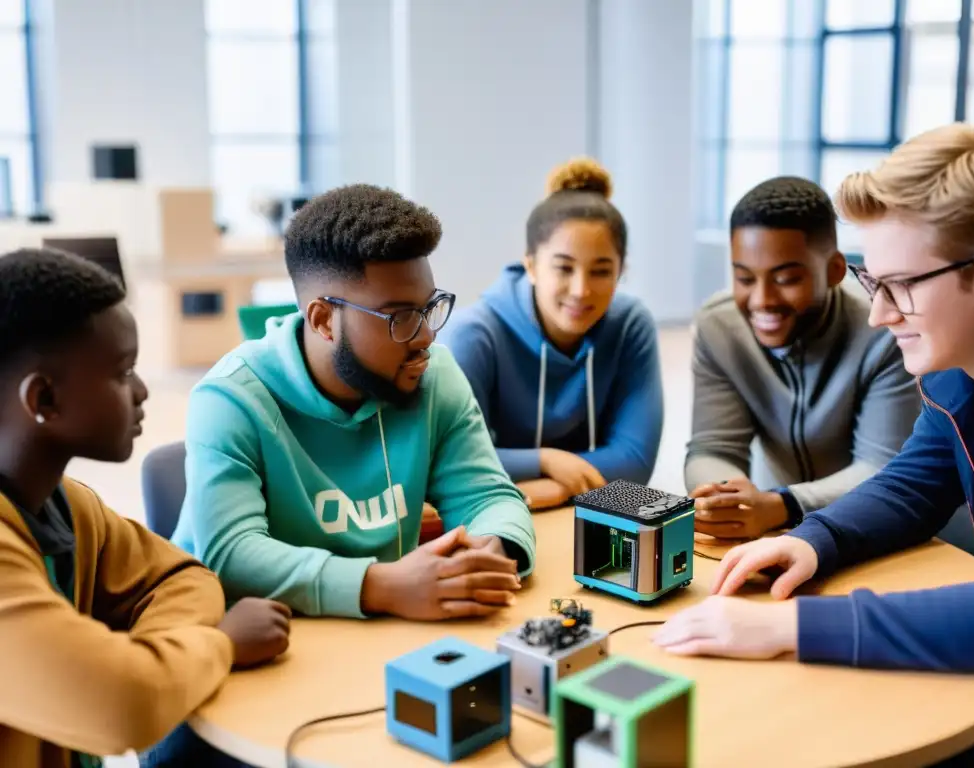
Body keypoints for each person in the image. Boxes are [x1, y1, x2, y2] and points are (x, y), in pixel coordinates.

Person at [654, 124, 974, 764]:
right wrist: (809, 540)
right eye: (869, 281)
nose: (880, 314)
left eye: (901, 285)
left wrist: (786, 628)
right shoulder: (958, 377)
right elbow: (911, 484)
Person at [172, 184, 537, 622]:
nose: (425, 336)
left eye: (429, 308)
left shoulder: (431, 373)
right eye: (400, 317)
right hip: (261, 637)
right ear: (323, 320)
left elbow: (488, 497)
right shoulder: (230, 398)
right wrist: (381, 586)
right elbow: (230, 554)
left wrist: (487, 551)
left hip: (382, 630)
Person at [0, 248, 290, 768]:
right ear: (44, 400)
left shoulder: (66, 507)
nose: (141, 390)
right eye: (122, 371)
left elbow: (184, 577)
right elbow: (121, 706)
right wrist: (219, 645)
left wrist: (148, 666)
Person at [684, 176, 921, 540]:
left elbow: (882, 467)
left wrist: (783, 505)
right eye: (745, 278)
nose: (761, 299)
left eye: (786, 279)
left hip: (894, 529)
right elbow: (712, 448)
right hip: (784, 531)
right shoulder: (719, 328)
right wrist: (724, 497)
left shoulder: (883, 330)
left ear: (834, 271)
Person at [440, 158, 663, 510]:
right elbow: (451, 462)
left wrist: (560, 488)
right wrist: (546, 461)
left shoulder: (630, 324)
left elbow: (636, 460)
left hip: (580, 512)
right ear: (530, 265)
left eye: (601, 271)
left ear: (622, 271)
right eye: (563, 268)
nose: (581, 290)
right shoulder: (473, 335)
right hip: (490, 514)